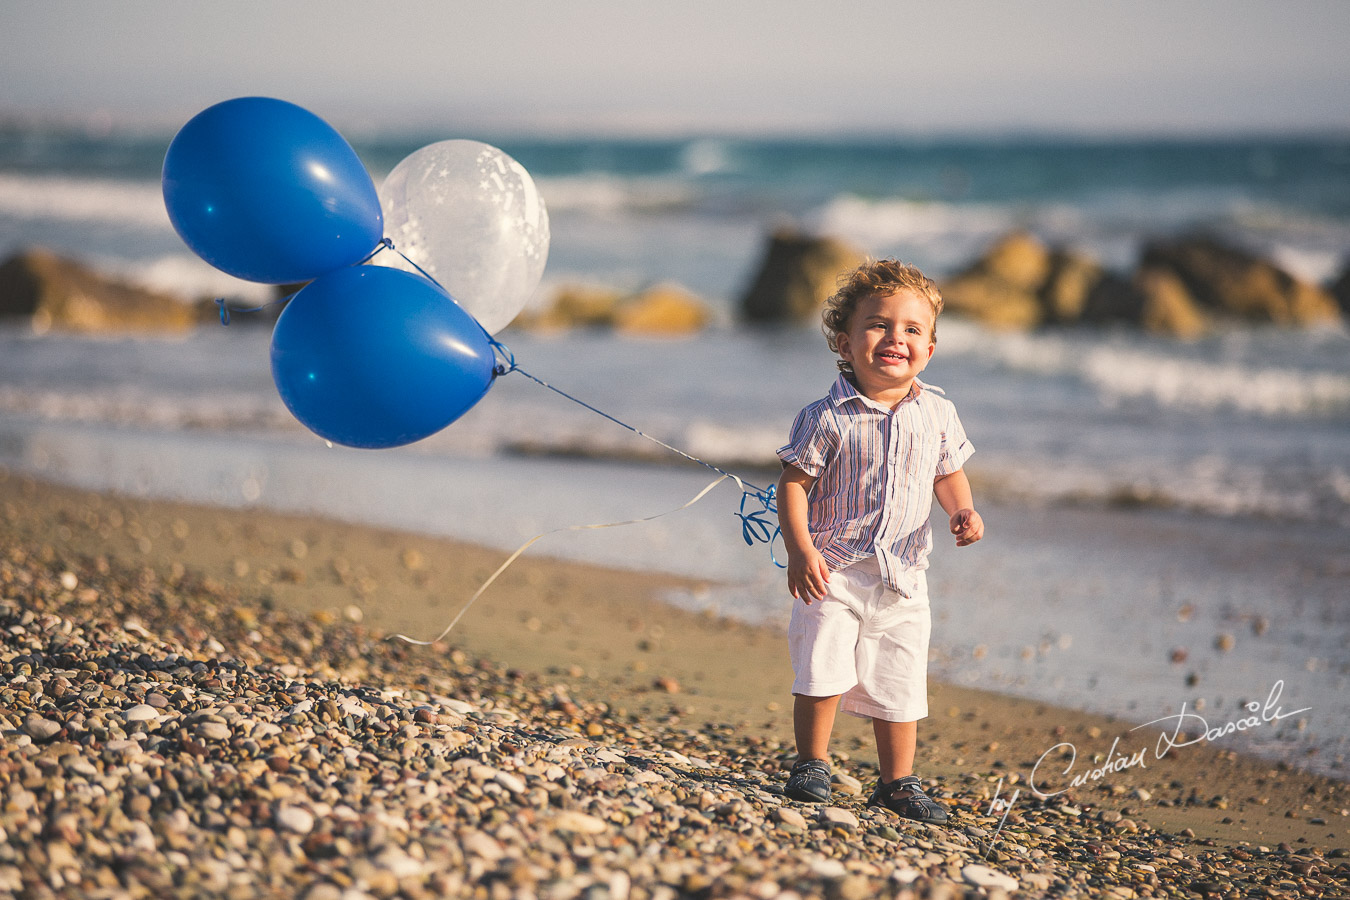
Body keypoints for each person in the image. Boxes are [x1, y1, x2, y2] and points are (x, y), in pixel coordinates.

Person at [776, 259, 983, 824]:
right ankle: (811, 764)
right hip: (832, 570)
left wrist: (962, 510)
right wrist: (800, 551)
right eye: (878, 325)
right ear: (845, 343)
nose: (896, 338)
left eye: (912, 330)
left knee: (901, 679)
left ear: (930, 350)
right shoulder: (825, 417)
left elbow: (948, 473)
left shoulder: (938, 413)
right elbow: (793, 484)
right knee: (821, 669)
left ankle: (897, 782)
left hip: (904, 574)